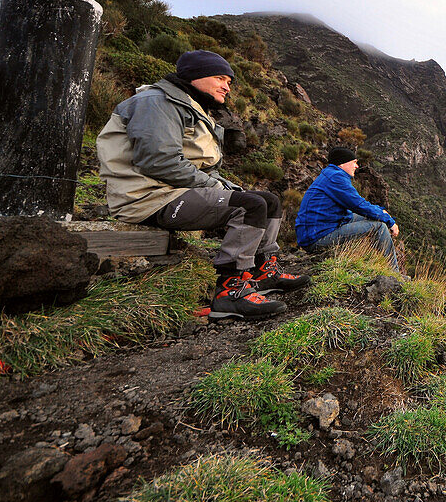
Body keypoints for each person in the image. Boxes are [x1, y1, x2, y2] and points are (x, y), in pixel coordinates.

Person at [96, 49, 308, 320]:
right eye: (220, 78)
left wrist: (226, 186)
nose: (226, 87)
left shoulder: (188, 106)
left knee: (268, 201)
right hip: (147, 198)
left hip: (174, 191)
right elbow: (159, 162)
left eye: (229, 82)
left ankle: (263, 271)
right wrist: (217, 187)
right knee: (248, 207)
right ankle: (230, 292)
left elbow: (198, 167)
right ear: (196, 76)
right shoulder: (156, 103)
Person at [295, 146, 400, 269]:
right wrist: (389, 220)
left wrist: (380, 211)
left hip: (321, 228)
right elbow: (358, 205)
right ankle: (394, 273)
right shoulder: (336, 178)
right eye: (354, 162)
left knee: (371, 217)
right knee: (379, 227)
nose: (357, 166)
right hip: (317, 238)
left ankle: (382, 266)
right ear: (341, 164)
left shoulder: (330, 175)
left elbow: (357, 205)